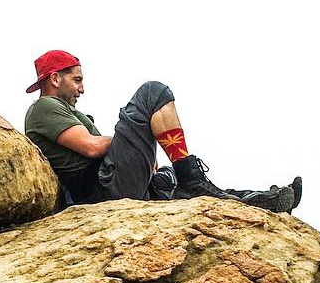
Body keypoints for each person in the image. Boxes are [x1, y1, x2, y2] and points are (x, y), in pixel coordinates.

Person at [24, 50, 301, 212]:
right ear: (55, 78)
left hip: (115, 185)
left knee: (189, 193)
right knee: (152, 93)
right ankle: (189, 176)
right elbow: (92, 147)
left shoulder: (71, 113)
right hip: (102, 191)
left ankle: (255, 201)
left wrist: (143, 153)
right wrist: (136, 139)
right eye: (77, 80)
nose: (82, 88)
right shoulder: (44, 108)